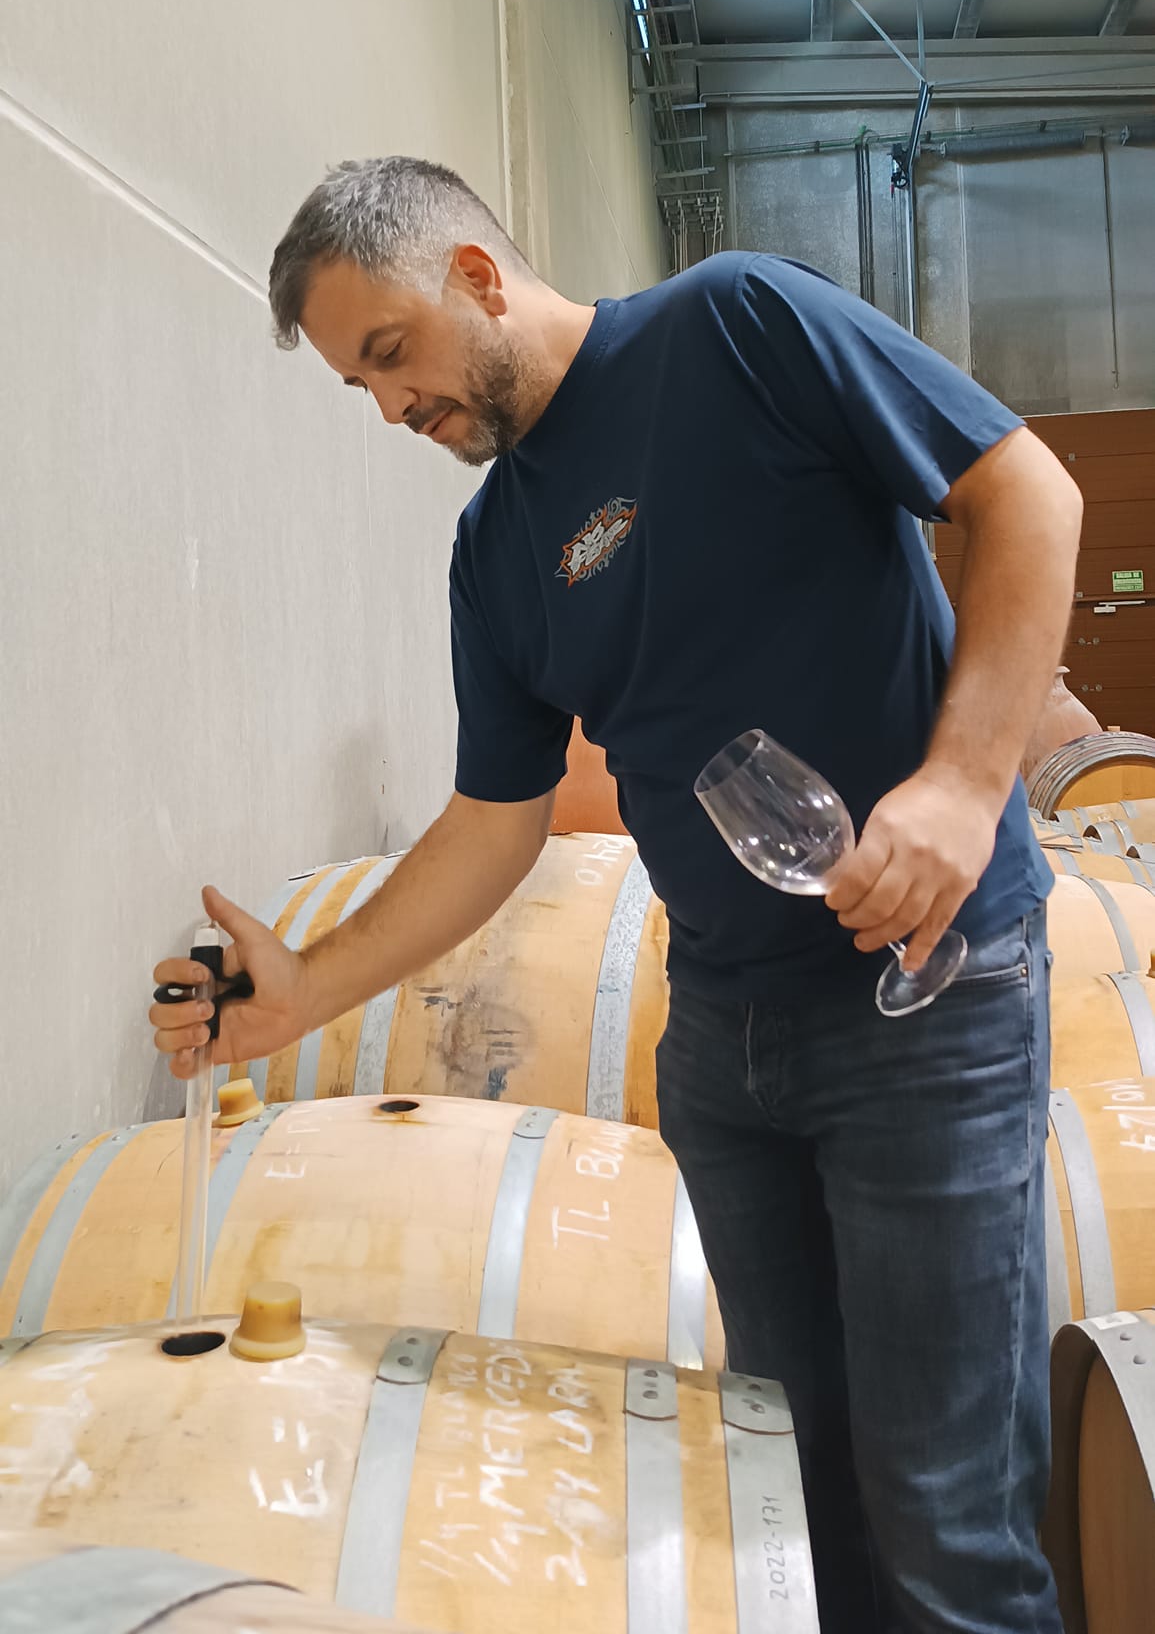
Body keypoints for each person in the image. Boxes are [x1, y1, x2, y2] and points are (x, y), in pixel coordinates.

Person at [151, 157, 1081, 1634]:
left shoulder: (738, 324)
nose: (389, 408)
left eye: (389, 354)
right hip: (722, 1041)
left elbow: (1026, 488)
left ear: (473, 274)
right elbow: (495, 824)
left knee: (946, 1523)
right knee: (795, 1499)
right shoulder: (494, 552)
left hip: (927, 997)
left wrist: (967, 784)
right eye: (359, 388)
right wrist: (306, 988)